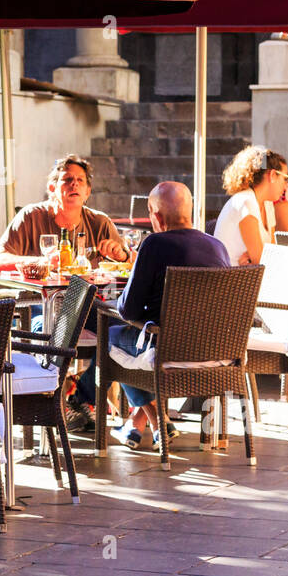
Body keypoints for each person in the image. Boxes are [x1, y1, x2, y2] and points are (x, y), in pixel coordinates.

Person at [70, 183, 230, 448]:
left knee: (103, 329)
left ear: (155, 216)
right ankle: (150, 423)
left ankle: (134, 415)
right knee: (123, 335)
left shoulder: (154, 244)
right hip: (216, 353)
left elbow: (129, 310)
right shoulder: (218, 247)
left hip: (163, 352)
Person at [0, 154, 129, 268]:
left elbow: (133, 262)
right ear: (52, 189)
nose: (74, 184)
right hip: (39, 298)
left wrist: (122, 256)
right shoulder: (30, 216)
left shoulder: (100, 222)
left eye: (80, 180)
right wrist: (41, 263)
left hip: (88, 298)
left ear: (87, 192)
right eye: (67, 179)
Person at [213, 145, 287, 265]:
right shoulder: (246, 203)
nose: (286, 186)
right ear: (273, 175)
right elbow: (263, 262)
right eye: (285, 179)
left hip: (251, 278)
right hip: (231, 281)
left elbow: (272, 254)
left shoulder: (268, 205)